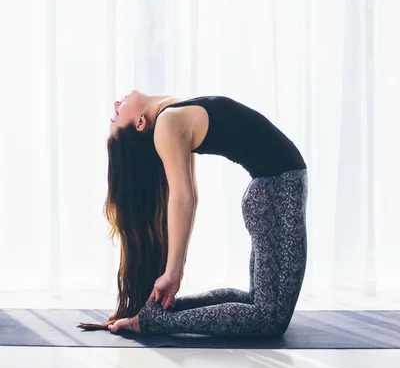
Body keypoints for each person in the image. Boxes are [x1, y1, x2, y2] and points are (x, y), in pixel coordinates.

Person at [77, 90, 308, 337]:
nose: (116, 103)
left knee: (257, 303)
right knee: (269, 320)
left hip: (274, 192)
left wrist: (176, 269)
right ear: (140, 123)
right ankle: (151, 322)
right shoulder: (167, 123)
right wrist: (173, 272)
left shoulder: (172, 112)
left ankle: (153, 316)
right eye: (116, 114)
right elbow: (183, 198)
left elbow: (189, 197)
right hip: (277, 194)